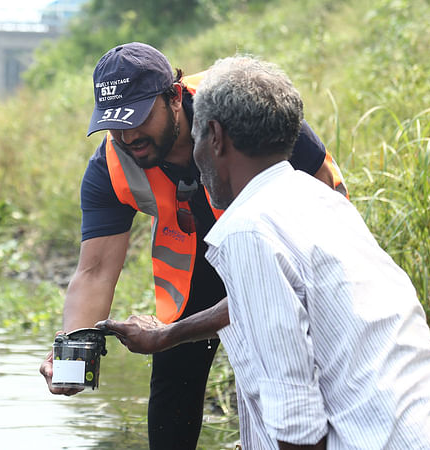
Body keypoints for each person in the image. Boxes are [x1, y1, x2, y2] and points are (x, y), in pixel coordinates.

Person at [39, 42, 348, 449]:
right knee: (173, 376)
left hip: (279, 253)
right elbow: (94, 271)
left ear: (174, 96)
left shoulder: (245, 110)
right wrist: (73, 352)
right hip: (193, 264)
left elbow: (329, 210)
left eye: (139, 118)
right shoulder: (109, 167)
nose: (129, 136)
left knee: (290, 369)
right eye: (116, 124)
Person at [189, 55, 430, 449]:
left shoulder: (248, 228)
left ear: (215, 136)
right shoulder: (323, 200)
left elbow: (296, 423)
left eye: (195, 138)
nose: (195, 155)